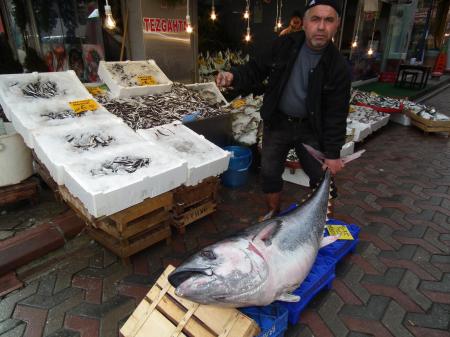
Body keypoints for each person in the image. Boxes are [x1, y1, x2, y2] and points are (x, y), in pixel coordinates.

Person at [216, 0, 350, 219]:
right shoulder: (285, 44)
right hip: (277, 122)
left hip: (310, 129)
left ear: (337, 25)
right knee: (269, 171)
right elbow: (256, 68)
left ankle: (323, 220)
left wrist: (333, 154)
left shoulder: (339, 67)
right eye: (315, 19)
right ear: (305, 23)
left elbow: (337, 114)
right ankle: (273, 213)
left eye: (329, 20)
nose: (321, 26)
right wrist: (234, 76)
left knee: (321, 174)